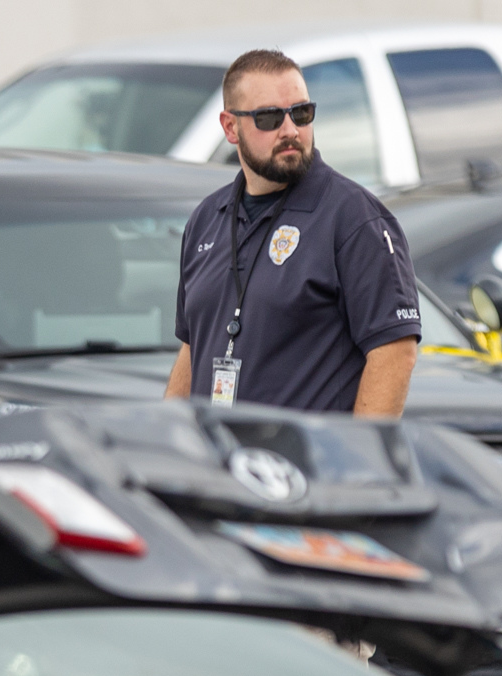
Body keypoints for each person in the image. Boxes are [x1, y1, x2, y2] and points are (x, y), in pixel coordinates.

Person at [165, 49, 419, 418]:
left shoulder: (353, 217)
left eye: (301, 113)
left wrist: (356, 462)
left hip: (307, 470)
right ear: (230, 127)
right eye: (268, 117)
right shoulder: (207, 218)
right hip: (216, 468)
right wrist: (169, 442)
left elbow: (395, 353)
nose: (290, 130)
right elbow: (192, 348)